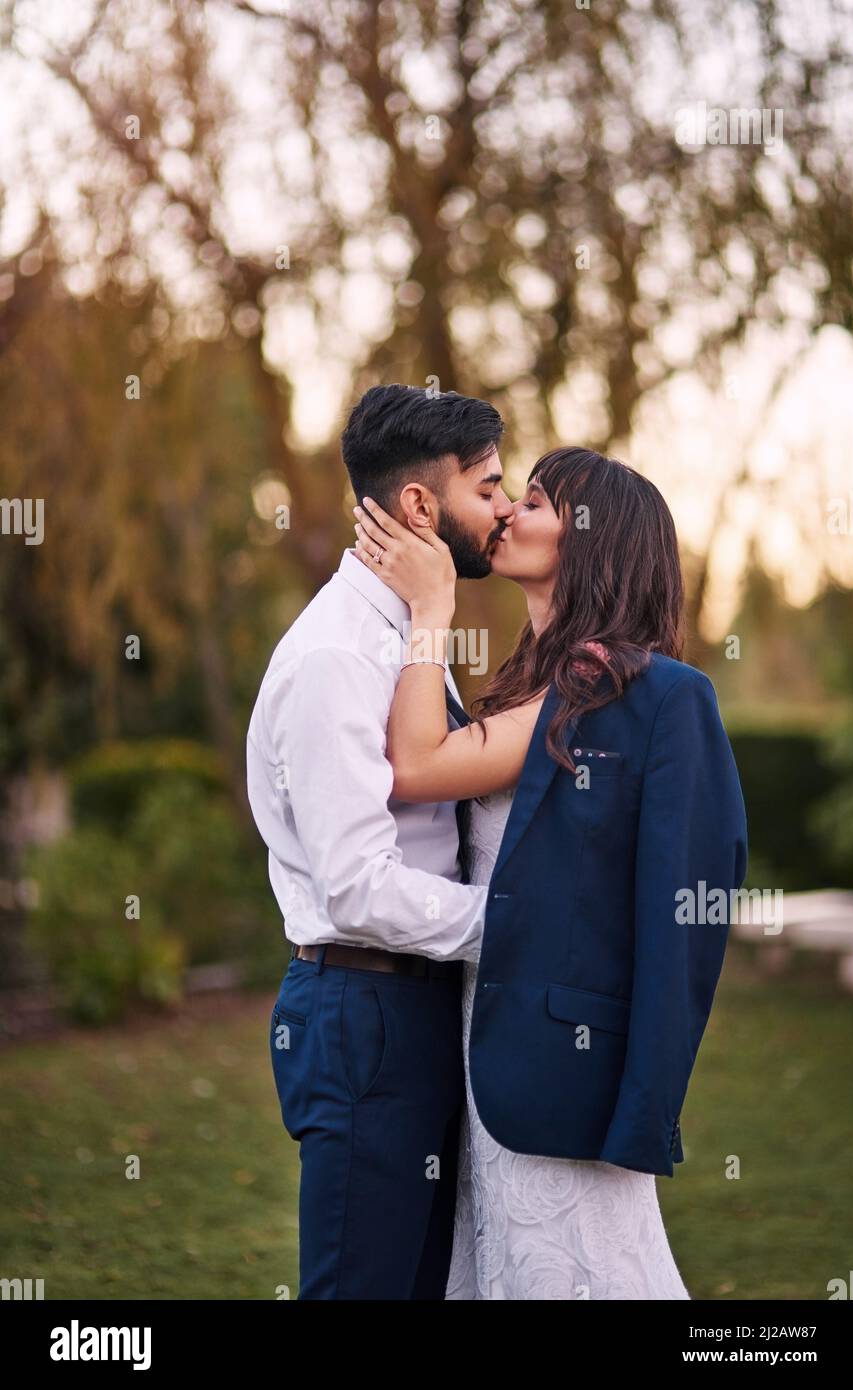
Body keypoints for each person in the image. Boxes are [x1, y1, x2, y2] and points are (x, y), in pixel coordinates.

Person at [352, 445, 748, 1300]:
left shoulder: (662, 699)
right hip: (479, 1061)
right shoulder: (528, 691)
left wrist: (429, 608)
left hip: (575, 1086)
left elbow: (686, 921)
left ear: (593, 542)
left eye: (532, 502)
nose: (505, 514)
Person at [246, 384, 515, 1299]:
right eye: (488, 486)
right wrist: (512, 923)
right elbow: (359, 885)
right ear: (418, 506)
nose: (506, 505)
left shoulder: (397, 638)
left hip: (412, 1002)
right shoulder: (335, 657)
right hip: (363, 1009)